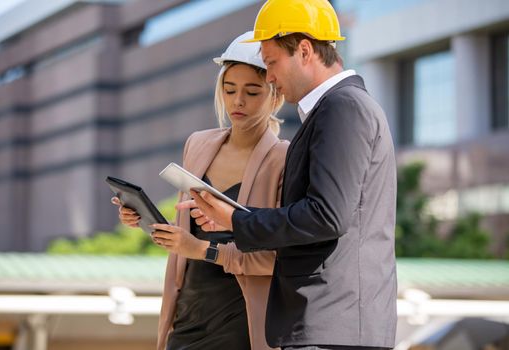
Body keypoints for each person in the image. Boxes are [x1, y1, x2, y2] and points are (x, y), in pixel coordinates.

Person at [188, 0, 398, 349]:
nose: (269, 76)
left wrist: (238, 220)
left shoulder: (341, 108)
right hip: (332, 324)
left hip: (331, 324)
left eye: (271, 63)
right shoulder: (336, 109)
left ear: (303, 51)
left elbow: (327, 216)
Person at [112, 31, 288, 350]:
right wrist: (145, 220)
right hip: (189, 310)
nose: (238, 101)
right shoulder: (198, 144)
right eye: (229, 88)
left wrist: (202, 250)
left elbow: (279, 258)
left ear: (275, 95)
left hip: (242, 316)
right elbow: (187, 232)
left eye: (252, 91)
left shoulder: (284, 159)